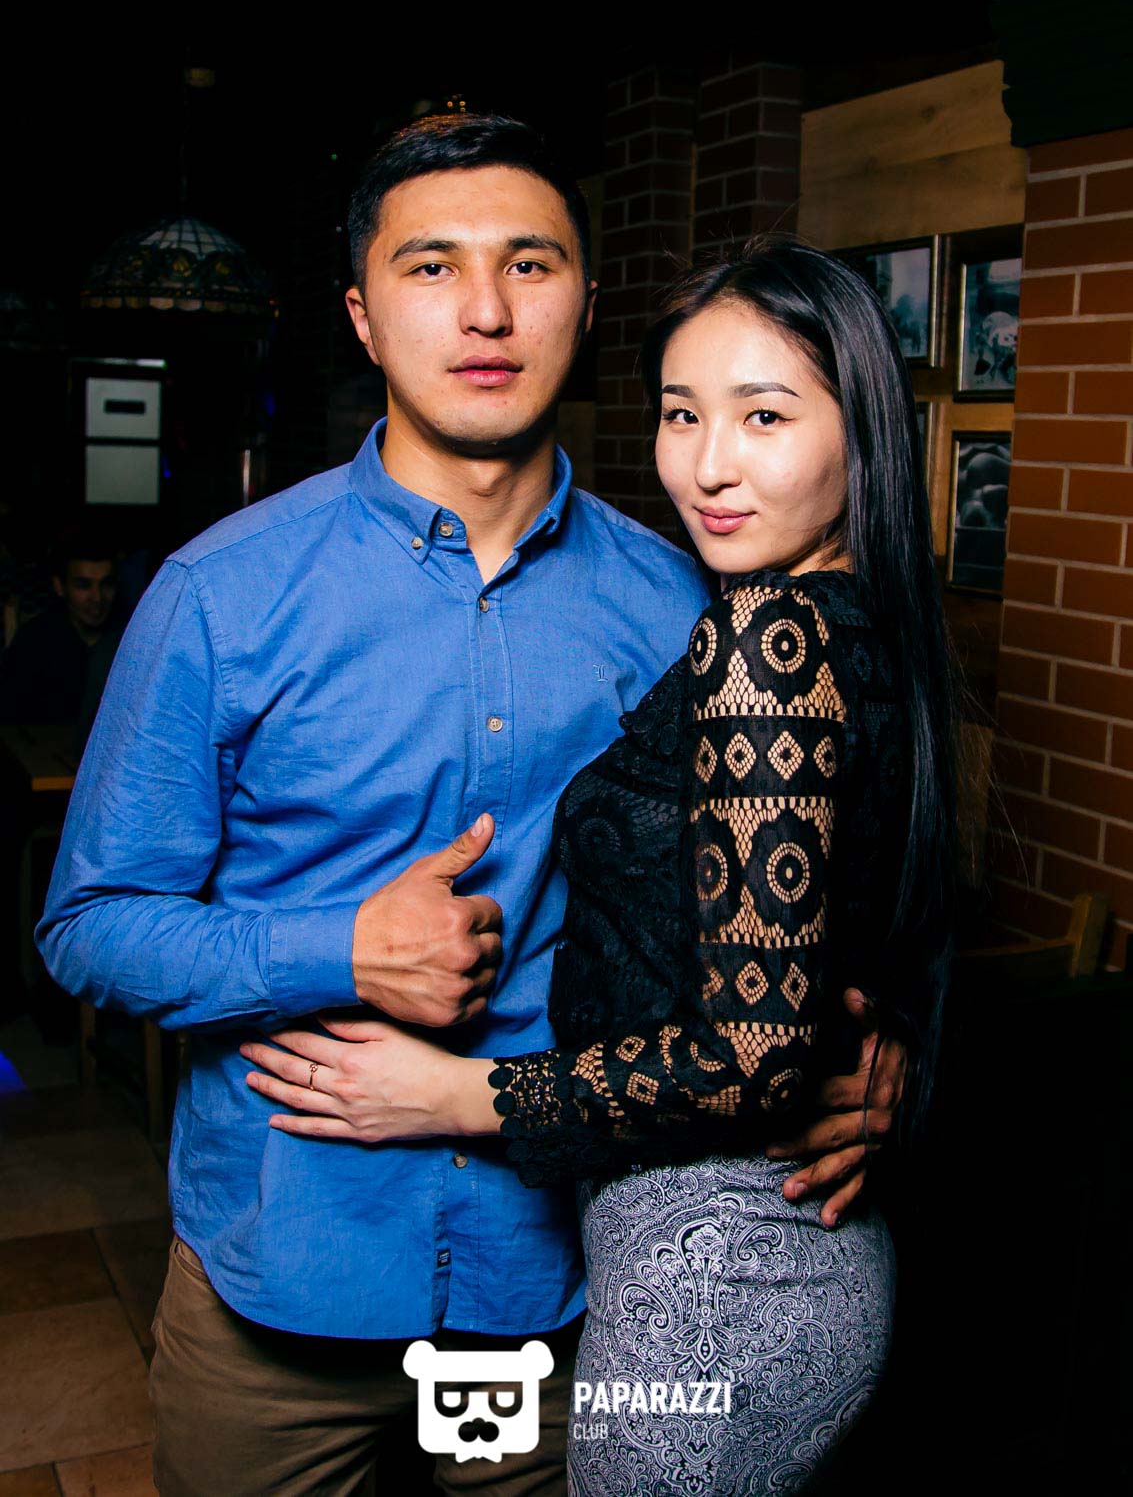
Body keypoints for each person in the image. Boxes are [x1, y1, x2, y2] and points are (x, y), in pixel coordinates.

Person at [39, 117, 902, 1496]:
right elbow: (86, 924)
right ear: (362, 316)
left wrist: (868, 1048)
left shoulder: (688, 600)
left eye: (530, 264)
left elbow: (804, 877)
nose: (487, 310)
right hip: (286, 1275)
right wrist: (338, 947)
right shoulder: (222, 592)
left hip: (559, 1285)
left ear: (586, 302)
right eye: (431, 266)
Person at [246, 238, 957, 1492]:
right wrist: (881, 1032)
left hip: (715, 1270)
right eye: (681, 413)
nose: (708, 463)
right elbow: (831, 938)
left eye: (764, 414)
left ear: (863, 433)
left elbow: (752, 1055)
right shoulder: (857, 623)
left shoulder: (767, 636)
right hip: (766, 1255)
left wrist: (454, 1093)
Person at [0, 546, 119, 728]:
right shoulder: (34, 642)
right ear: (60, 586)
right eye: (83, 585)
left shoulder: (130, 639)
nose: (97, 598)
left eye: (106, 584)